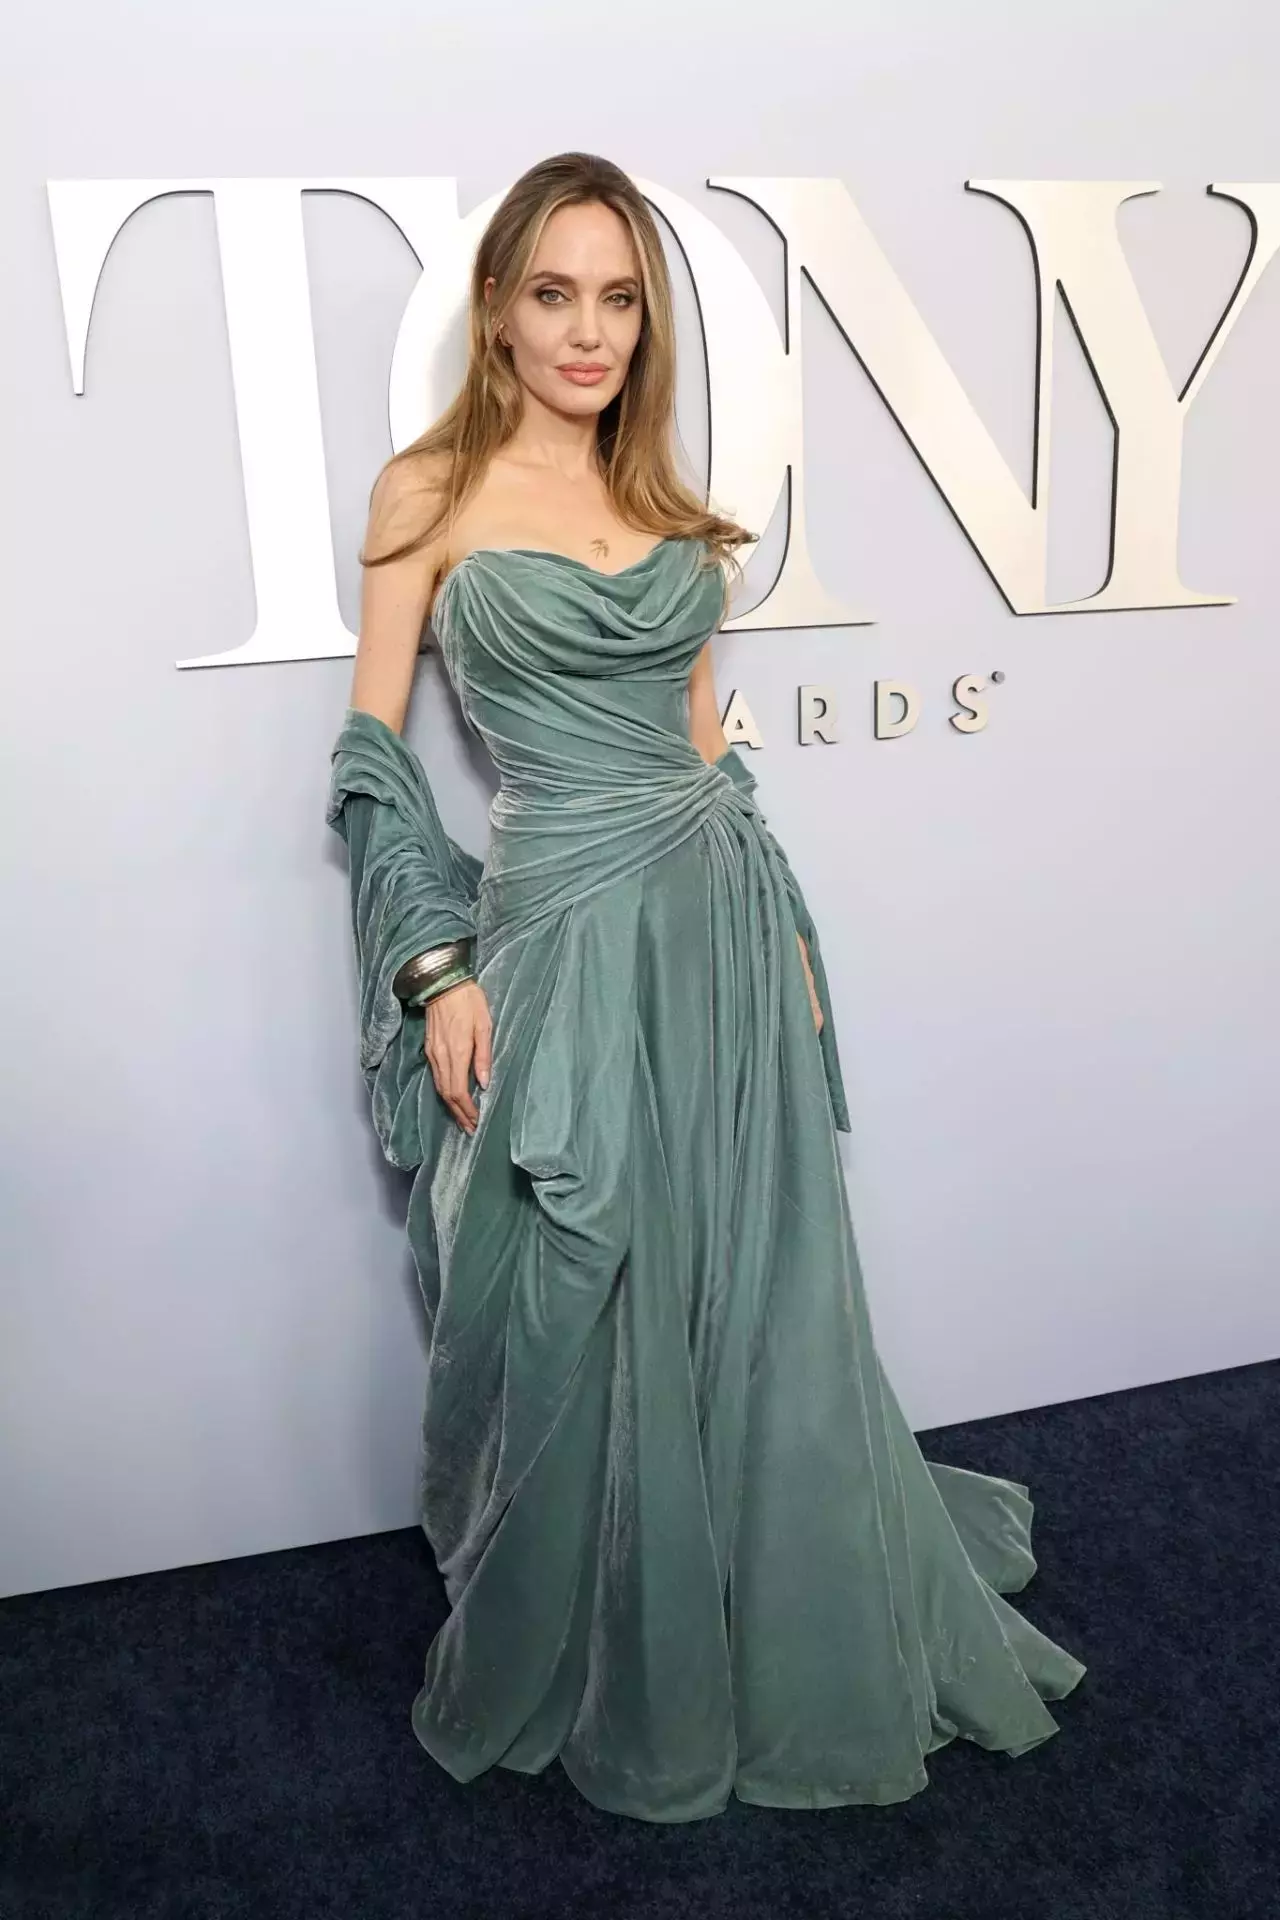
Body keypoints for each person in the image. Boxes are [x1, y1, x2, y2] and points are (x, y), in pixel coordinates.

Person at [325, 150, 1085, 1824]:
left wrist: (795, 948)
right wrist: (432, 961)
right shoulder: (424, 494)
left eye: (617, 298)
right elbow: (376, 752)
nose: (586, 331)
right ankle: (611, 1624)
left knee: (748, 1272)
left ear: (642, 322)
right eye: (553, 293)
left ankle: (763, 1585)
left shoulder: (667, 506)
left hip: (720, 927)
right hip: (557, 935)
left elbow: (704, 755)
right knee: (566, 1285)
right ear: (498, 308)